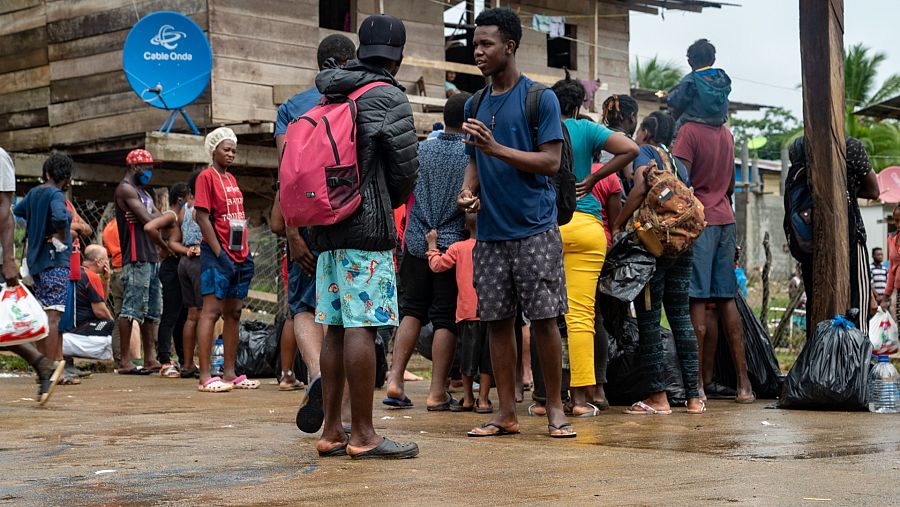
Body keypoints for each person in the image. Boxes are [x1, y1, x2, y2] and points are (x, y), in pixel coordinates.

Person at [457, 7, 573, 439]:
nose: (478, 51)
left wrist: (497, 149)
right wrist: (469, 190)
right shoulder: (475, 102)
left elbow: (550, 161)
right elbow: (473, 156)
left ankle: (555, 409)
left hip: (535, 229)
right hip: (490, 232)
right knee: (498, 322)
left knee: (545, 321)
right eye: (475, 44)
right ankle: (505, 411)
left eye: (486, 44)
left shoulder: (540, 98)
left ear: (510, 46)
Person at [310, 14, 419, 459]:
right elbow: (405, 171)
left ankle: (331, 430)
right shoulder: (388, 95)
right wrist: (379, 199)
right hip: (366, 230)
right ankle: (364, 434)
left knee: (334, 327)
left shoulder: (332, 90)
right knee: (364, 325)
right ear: (398, 54)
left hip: (327, 226)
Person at [272, 33, 356, 431]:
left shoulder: (292, 107)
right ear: (350, 60)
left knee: (305, 305)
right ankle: (346, 409)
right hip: (350, 214)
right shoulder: (362, 96)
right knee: (344, 310)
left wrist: (291, 231)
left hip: (305, 215)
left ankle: (316, 373)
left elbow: (287, 171)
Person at [550, 77, 638, 417]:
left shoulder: (541, 130)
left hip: (549, 227)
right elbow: (630, 149)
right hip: (587, 229)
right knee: (582, 315)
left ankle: (547, 398)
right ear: (579, 105)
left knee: (546, 317)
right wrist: (596, 178)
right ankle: (580, 400)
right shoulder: (588, 130)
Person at [612, 111, 705, 415]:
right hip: (683, 247)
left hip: (653, 248)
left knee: (649, 320)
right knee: (680, 317)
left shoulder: (646, 154)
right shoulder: (678, 163)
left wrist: (619, 223)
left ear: (648, 132)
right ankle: (694, 398)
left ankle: (658, 398)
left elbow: (640, 188)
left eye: (640, 130)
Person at [671, 62, 753, 403]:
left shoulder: (688, 132)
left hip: (700, 224)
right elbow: (731, 185)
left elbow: (680, 183)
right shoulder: (727, 134)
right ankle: (744, 385)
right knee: (727, 299)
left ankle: (698, 387)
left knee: (698, 302)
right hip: (726, 219)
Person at [385, 91, 472, 411]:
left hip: (417, 241)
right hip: (451, 247)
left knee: (411, 310)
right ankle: (437, 392)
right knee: (444, 318)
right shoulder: (471, 155)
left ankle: (395, 380)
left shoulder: (420, 150)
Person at [790, 136, 879, 336]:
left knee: (817, 312)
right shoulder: (850, 147)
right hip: (850, 239)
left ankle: (822, 362)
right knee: (858, 311)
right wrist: (850, 190)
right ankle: (855, 363)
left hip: (810, 245)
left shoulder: (798, 147)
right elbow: (874, 191)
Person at [194, 127, 259, 393]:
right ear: (214, 150)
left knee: (234, 311)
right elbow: (202, 217)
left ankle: (230, 372)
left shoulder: (231, 179)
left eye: (233, 150)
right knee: (211, 311)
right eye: (226, 149)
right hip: (216, 254)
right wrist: (219, 253)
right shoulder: (205, 177)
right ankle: (205, 375)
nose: (231, 154)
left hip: (240, 253)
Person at [0, 147, 65, 404]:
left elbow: (6, 211)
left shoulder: (0, 158)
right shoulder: (51, 194)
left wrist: (8, 259)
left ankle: (42, 363)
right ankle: (42, 364)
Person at [426, 215, 493, 413]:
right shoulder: (491, 246)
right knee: (486, 359)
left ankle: (467, 399)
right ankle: (483, 399)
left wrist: (432, 245)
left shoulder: (458, 248)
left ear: (465, 226)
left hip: (465, 313)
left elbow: (437, 265)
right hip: (489, 312)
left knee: (467, 359)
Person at [14, 153, 74, 369]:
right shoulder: (56, 195)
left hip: (36, 263)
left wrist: (38, 219)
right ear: (66, 177)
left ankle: (41, 366)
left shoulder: (33, 193)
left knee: (42, 315)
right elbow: (59, 216)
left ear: (46, 173)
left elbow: (19, 211)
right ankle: (49, 367)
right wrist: (59, 233)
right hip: (55, 262)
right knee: (53, 317)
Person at [114, 149, 162, 375]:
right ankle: (125, 360)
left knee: (152, 311)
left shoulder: (144, 193)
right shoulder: (126, 189)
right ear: (134, 168)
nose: (150, 172)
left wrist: (156, 218)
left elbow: (156, 218)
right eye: (147, 167)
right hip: (136, 256)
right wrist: (155, 217)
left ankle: (150, 358)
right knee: (131, 309)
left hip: (151, 255)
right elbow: (148, 219)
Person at [144, 183, 192, 378]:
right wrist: (165, 246)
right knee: (171, 315)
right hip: (171, 268)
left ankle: (183, 359)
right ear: (181, 199)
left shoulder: (178, 218)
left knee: (182, 317)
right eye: (189, 198)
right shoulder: (172, 215)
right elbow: (149, 227)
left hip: (178, 267)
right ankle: (164, 360)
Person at [172, 170, 203, 378]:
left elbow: (173, 241)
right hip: (200, 261)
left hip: (184, 262)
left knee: (192, 315)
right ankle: (207, 364)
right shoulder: (201, 208)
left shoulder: (183, 209)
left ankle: (187, 363)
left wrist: (187, 250)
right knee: (206, 314)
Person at [665, 38, 731, 129]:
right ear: (713, 60)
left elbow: (679, 100)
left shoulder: (691, 80)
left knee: (672, 128)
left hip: (696, 119)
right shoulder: (722, 76)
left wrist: (668, 97)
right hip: (720, 119)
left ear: (690, 61)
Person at [102, 217, 125, 364]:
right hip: (129, 269)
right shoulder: (126, 222)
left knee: (120, 317)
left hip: (116, 271)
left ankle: (120, 359)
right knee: (146, 317)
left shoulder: (108, 227)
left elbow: (108, 253)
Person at [883, 207, 900, 321]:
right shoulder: (892, 238)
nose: (898, 224)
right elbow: (892, 270)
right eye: (896, 220)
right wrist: (886, 296)